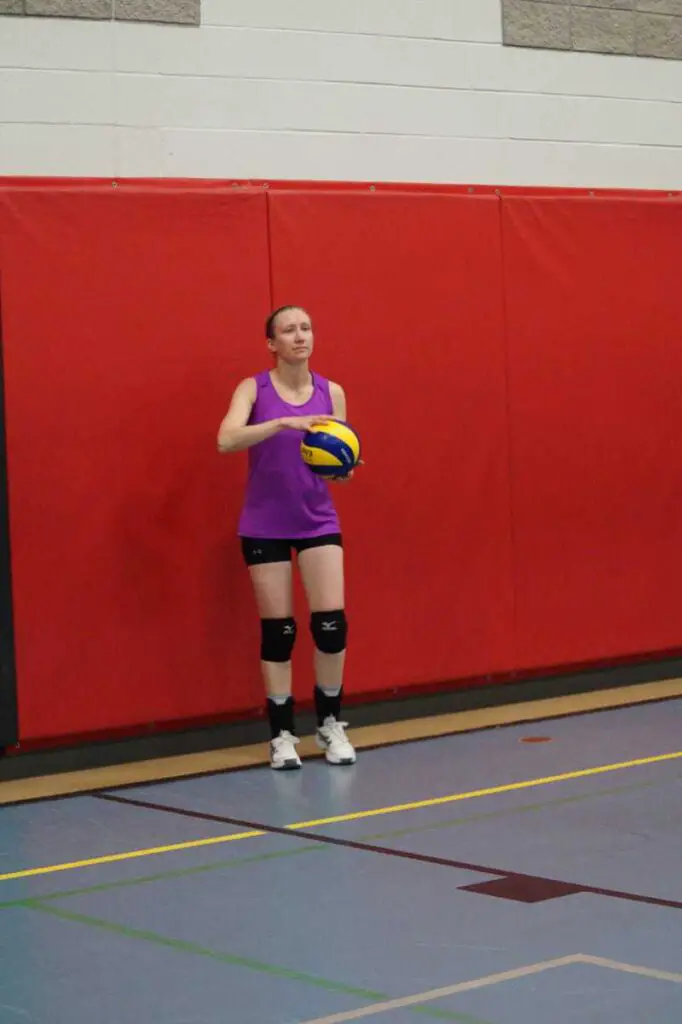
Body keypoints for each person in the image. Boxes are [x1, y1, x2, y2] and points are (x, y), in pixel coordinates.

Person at [217, 305, 358, 770]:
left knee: (331, 626)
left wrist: (341, 469)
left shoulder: (331, 391)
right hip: (264, 524)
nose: (300, 336)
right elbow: (226, 439)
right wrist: (281, 423)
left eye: (306, 328)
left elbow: (335, 459)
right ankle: (281, 734)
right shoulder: (252, 389)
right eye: (288, 330)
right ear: (271, 344)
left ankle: (330, 724)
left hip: (317, 520)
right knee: (279, 633)